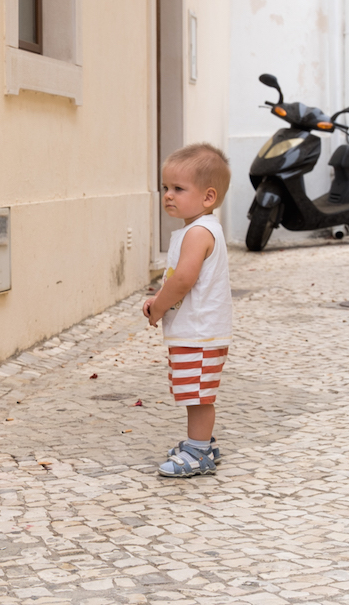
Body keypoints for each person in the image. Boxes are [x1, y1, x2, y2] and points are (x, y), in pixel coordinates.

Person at [143, 143, 233, 478]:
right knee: (194, 390)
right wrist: (158, 300)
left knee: (197, 394)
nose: (168, 195)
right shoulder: (195, 229)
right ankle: (201, 443)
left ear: (208, 197)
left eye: (179, 189)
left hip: (200, 332)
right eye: (166, 187)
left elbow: (182, 280)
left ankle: (199, 451)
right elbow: (176, 280)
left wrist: (158, 307)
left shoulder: (198, 233)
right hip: (198, 330)